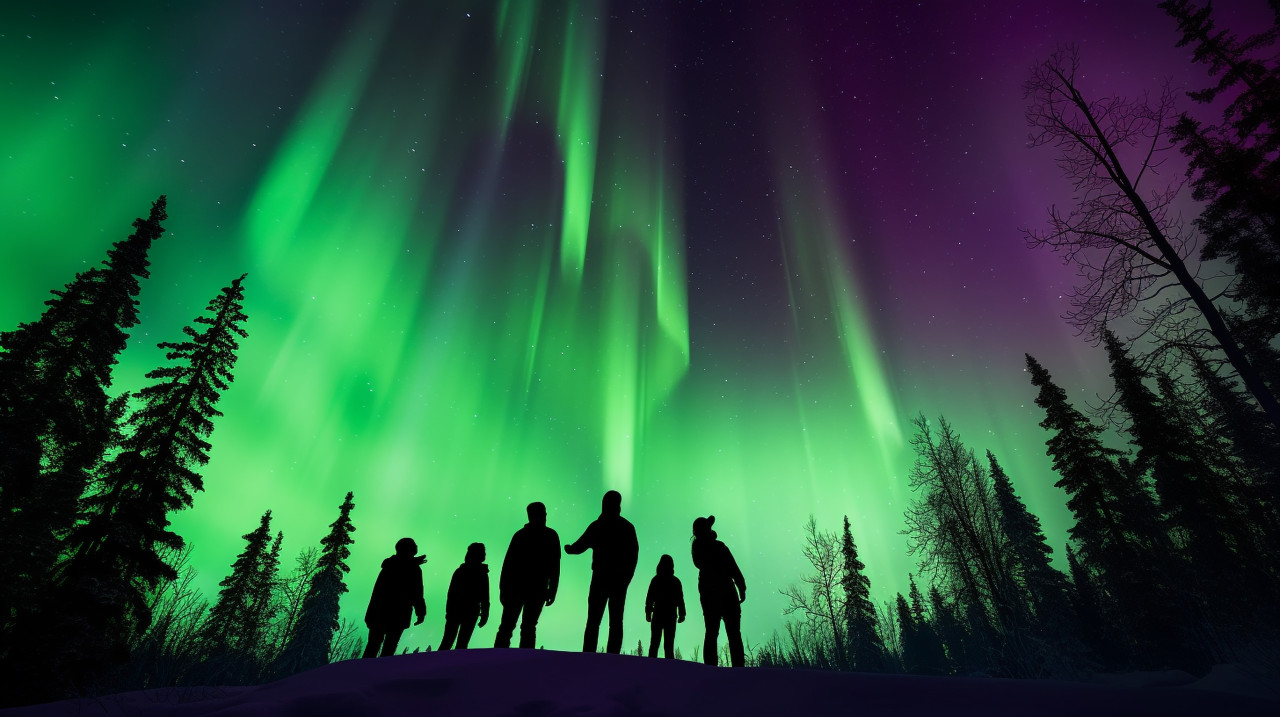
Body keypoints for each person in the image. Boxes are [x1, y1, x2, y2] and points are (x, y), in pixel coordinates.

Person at [565, 490, 639, 653]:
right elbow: (633, 556)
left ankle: (590, 655)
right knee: (610, 621)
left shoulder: (599, 526)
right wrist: (626, 577)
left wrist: (571, 549)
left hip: (605, 579)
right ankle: (607, 656)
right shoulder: (624, 527)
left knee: (598, 620)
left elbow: (580, 545)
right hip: (614, 580)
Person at [494, 502, 561, 649]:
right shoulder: (548, 536)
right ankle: (521, 660)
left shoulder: (522, 535)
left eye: (543, 513)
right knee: (517, 626)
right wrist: (552, 590)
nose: (543, 517)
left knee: (517, 626)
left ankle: (500, 659)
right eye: (541, 513)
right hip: (526, 589)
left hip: (526, 589)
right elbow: (554, 567)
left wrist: (552, 590)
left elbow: (555, 567)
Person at [691, 515, 746, 667]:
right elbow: (733, 568)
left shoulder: (705, 547)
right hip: (722, 592)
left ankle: (722, 669)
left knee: (718, 632)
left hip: (715, 593)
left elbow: (733, 568)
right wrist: (741, 586)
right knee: (722, 633)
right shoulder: (714, 546)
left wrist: (741, 585)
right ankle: (730, 669)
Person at [363, 537, 427, 658]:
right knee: (388, 650)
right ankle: (380, 675)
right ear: (412, 550)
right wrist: (421, 612)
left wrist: (371, 615)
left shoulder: (388, 566)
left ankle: (361, 674)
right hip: (398, 615)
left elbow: (377, 593)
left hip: (379, 614)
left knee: (372, 647)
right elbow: (417, 593)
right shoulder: (414, 569)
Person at [439, 542, 489, 650]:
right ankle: (455, 665)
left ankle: (438, 664)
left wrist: (449, 612)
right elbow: (485, 597)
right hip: (469, 611)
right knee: (460, 643)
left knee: (448, 641)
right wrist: (485, 614)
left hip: (457, 611)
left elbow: (451, 594)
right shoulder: (482, 574)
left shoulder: (460, 571)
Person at [644, 554, 686, 659]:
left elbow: (649, 598)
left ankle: (651, 668)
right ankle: (668, 670)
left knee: (655, 644)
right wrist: (682, 613)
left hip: (659, 614)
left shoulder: (656, 580)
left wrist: (648, 612)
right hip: (670, 616)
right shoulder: (675, 581)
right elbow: (680, 599)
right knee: (667, 645)